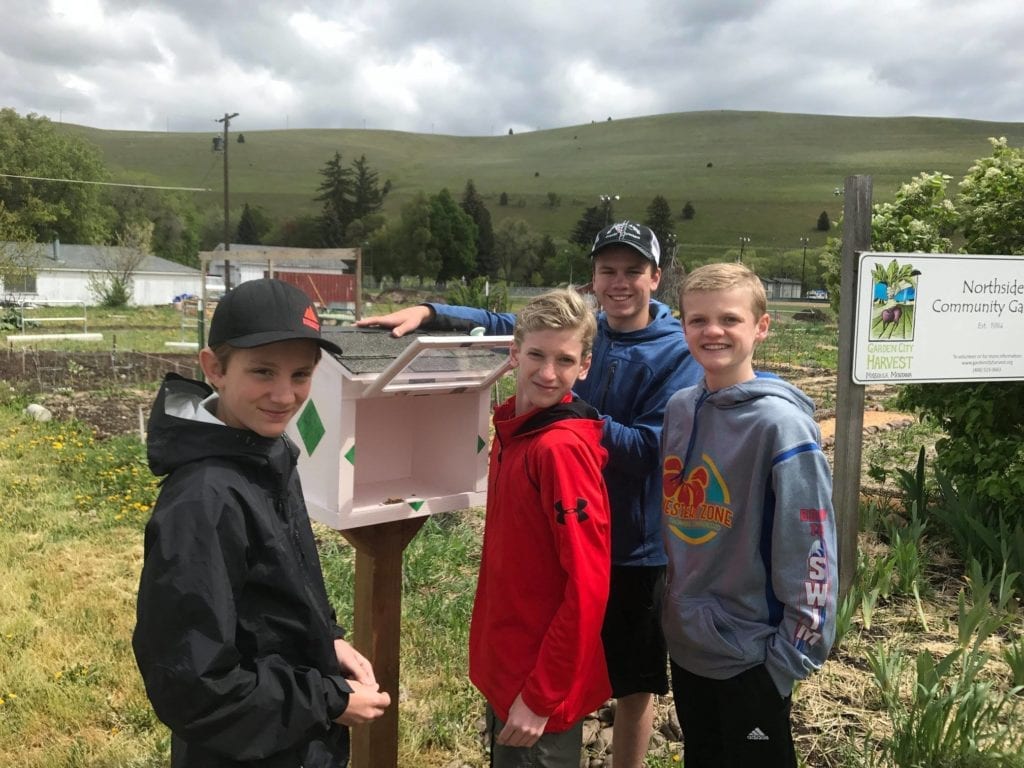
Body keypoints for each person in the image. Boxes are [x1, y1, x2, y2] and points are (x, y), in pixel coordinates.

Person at [357, 221, 702, 766]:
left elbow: (656, 450)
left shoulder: (673, 351)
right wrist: (432, 313)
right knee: (561, 659)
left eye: (633, 271)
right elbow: (512, 325)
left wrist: (573, 420)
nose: (619, 282)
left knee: (632, 682)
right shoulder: (586, 332)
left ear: (655, 278)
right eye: (608, 270)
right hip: (554, 527)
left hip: (633, 545)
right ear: (593, 277)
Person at [133, 278, 391, 768]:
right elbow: (192, 683)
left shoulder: (267, 454)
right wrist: (328, 702)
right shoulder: (204, 502)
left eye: (301, 374)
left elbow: (278, 593)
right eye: (263, 371)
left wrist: (327, 640)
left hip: (289, 737)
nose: (284, 394)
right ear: (215, 369)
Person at [660, 263, 838, 767]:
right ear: (683, 325)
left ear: (761, 326)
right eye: (697, 320)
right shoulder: (680, 408)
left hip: (752, 657)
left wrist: (786, 663)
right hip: (689, 643)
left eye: (730, 319)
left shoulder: (781, 427)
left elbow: (811, 548)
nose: (712, 331)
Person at [471, 288, 611, 767]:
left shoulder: (558, 449)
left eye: (565, 360)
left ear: (585, 366)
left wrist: (539, 697)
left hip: (536, 687)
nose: (548, 373)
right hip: (509, 664)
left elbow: (588, 584)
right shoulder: (513, 431)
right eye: (536, 354)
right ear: (514, 353)